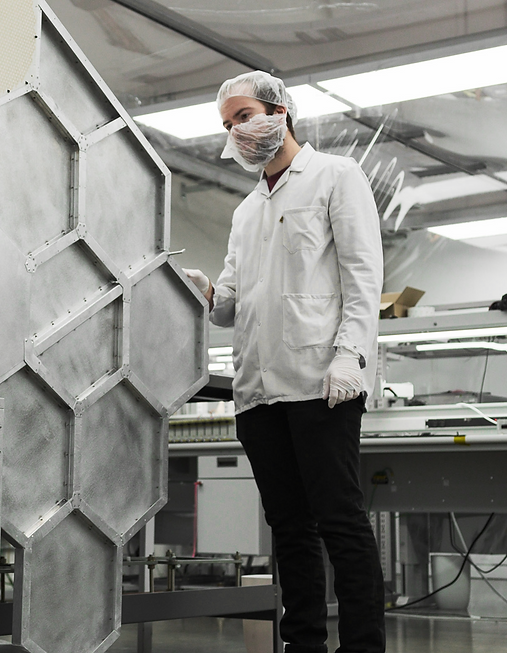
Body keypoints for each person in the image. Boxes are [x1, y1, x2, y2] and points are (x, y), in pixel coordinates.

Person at [183, 71, 386, 653]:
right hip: (259, 393)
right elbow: (229, 307)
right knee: (289, 529)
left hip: (323, 383)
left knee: (340, 520)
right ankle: (303, 643)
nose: (238, 131)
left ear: (279, 111)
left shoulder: (336, 177)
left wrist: (352, 356)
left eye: (245, 115)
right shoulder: (246, 211)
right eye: (228, 124)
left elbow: (362, 277)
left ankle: (364, 645)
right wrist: (204, 291)